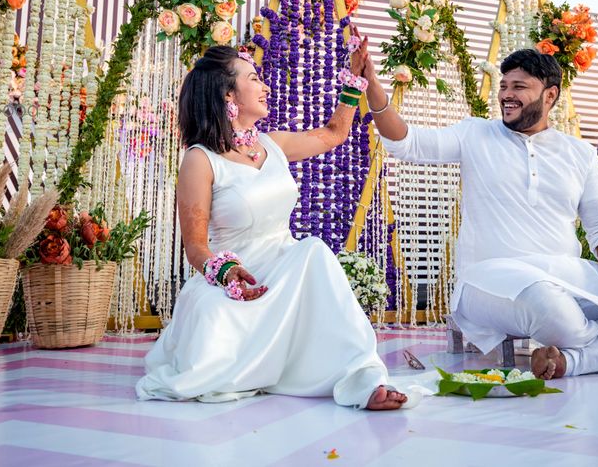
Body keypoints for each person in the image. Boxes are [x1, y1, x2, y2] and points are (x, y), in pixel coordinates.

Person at [359, 48, 598, 379]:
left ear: (550, 95)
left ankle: (578, 360)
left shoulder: (579, 153)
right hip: (488, 280)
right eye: (504, 86)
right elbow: (406, 142)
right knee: (556, 316)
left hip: (567, 276)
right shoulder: (475, 133)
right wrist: (373, 85)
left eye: (519, 87)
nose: (506, 95)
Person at [137, 41, 413, 410]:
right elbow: (196, 247)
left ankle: (362, 378)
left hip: (288, 268)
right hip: (239, 280)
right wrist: (229, 274)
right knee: (211, 322)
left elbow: (334, 133)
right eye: (254, 78)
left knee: (313, 250)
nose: (265, 87)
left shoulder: (274, 145)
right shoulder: (200, 160)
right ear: (228, 94)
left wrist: (355, 80)